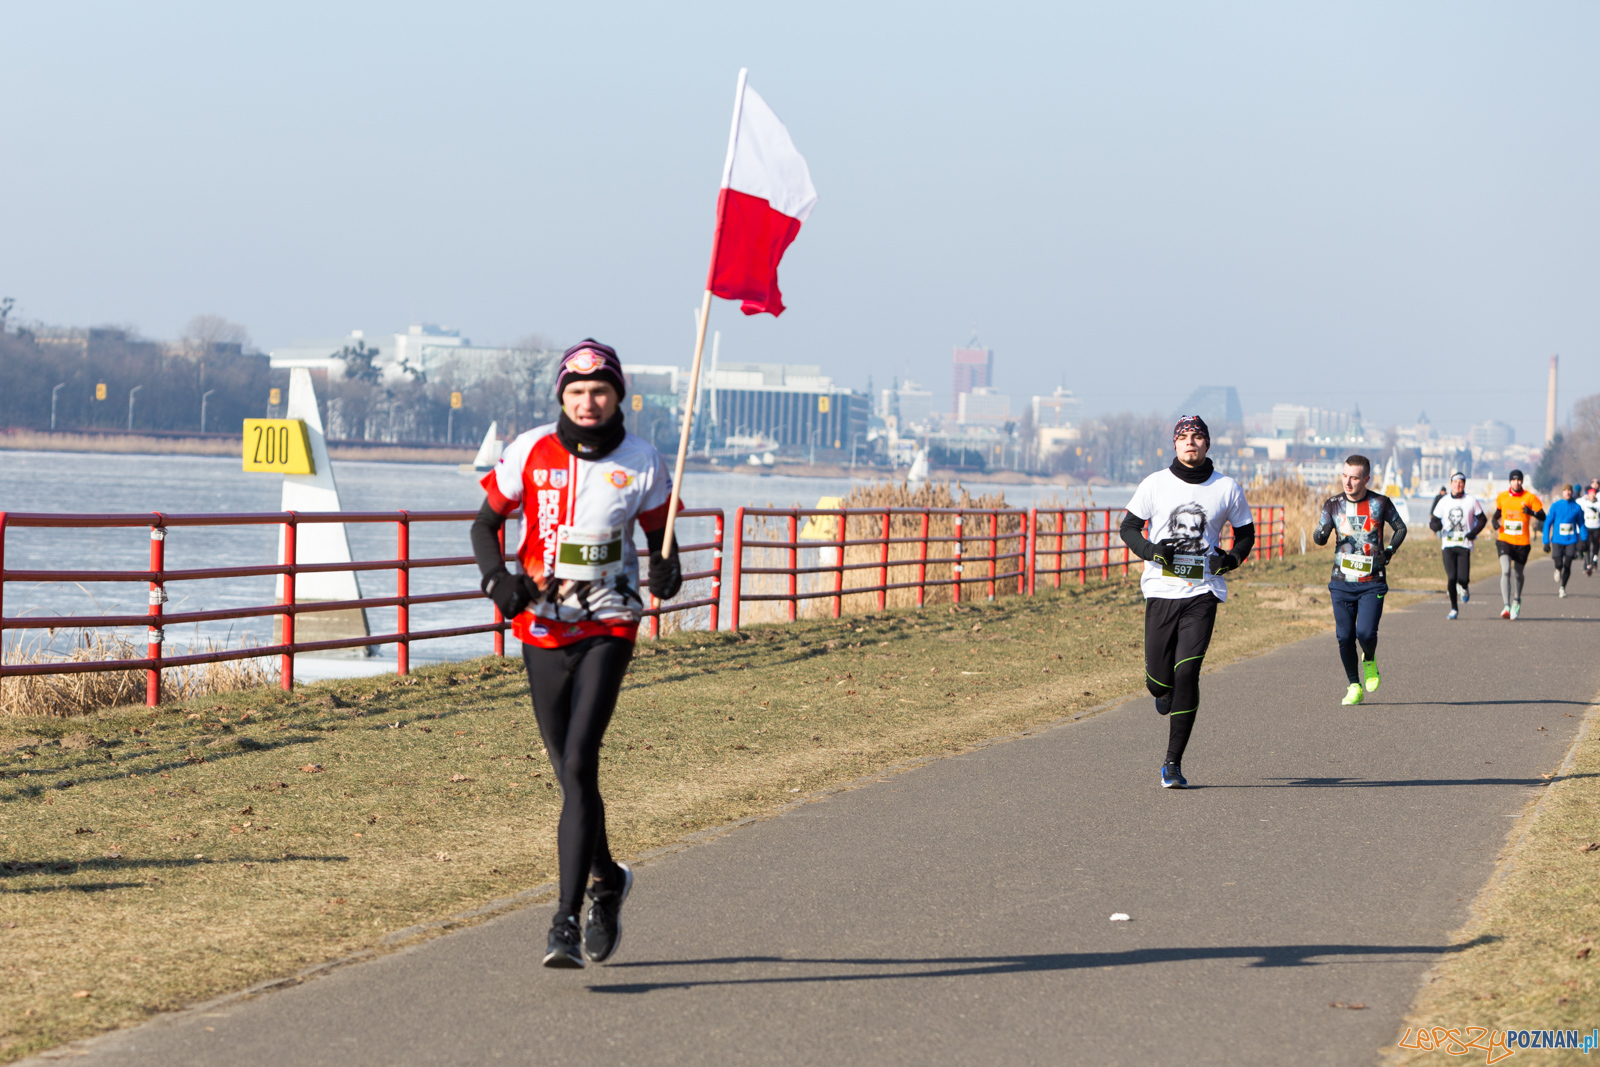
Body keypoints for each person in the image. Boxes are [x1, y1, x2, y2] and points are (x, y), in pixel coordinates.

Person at [471, 339, 682, 969]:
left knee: (582, 755)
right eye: (576, 392)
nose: (588, 403)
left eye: (600, 391)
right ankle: (608, 879)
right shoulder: (531, 449)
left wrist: (668, 571)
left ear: (618, 397)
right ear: (561, 396)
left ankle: (563, 919)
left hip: (608, 624)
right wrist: (497, 582)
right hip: (541, 624)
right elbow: (485, 526)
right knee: (569, 770)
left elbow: (661, 540)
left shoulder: (642, 460)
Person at [1119, 415, 1255, 789]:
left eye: (1197, 436)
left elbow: (1246, 534)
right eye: (1184, 437)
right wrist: (1151, 551)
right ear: (1175, 445)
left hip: (1202, 592)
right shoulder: (1155, 484)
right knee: (1158, 683)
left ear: (1207, 444)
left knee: (1187, 673)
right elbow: (1127, 527)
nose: (1190, 442)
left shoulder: (1226, 488)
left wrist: (1229, 560)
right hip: (1161, 591)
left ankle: (1172, 764)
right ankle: (1161, 692)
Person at [1312, 455, 1407, 705]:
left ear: (1366, 478)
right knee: (1344, 636)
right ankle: (1354, 685)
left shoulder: (1380, 502)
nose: (1348, 482)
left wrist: (1389, 552)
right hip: (1341, 582)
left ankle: (1370, 659)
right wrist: (1320, 534)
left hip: (1371, 581)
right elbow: (1319, 536)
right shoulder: (1332, 504)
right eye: (1344, 476)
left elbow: (1400, 528)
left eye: (1354, 477)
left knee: (1364, 632)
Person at [1428, 472, 1486, 619]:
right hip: (1448, 544)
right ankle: (1454, 608)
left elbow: (1482, 519)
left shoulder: (1471, 501)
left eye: (1461, 483)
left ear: (1464, 485)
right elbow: (1434, 520)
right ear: (1451, 484)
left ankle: (1465, 587)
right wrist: (1435, 526)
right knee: (1452, 577)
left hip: (1465, 544)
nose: (1458, 485)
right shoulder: (1444, 501)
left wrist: (1473, 533)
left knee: (1463, 578)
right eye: (1455, 482)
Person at [1490, 470, 1545, 620]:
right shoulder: (1502, 496)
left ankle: (1516, 600)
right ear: (1510, 482)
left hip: (1522, 543)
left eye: (1519, 480)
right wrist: (1494, 521)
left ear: (1522, 481)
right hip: (1504, 540)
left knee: (1518, 574)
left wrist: (1531, 512)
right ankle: (1506, 605)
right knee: (1506, 570)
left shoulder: (1529, 497)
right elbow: (1498, 512)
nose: (1517, 482)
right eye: (1514, 480)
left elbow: (1543, 515)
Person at [1543, 484, 1587, 598]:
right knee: (1559, 563)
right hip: (1557, 539)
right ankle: (1558, 569)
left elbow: (1581, 524)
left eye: (1569, 490)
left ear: (1572, 492)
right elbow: (1547, 523)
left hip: (1571, 540)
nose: (1567, 492)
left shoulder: (1576, 507)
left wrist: (1584, 539)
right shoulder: (1555, 506)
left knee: (1567, 565)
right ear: (1562, 492)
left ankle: (1562, 587)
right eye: (1565, 490)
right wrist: (1546, 541)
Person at [1579, 482, 1600, 576]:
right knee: (1587, 546)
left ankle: (1593, 560)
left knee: (1595, 546)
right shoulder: (1584, 503)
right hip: (1587, 527)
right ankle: (1588, 564)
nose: (1592, 495)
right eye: (1590, 493)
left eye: (1594, 494)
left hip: (1597, 527)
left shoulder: (1599, 504)